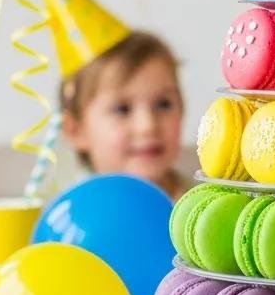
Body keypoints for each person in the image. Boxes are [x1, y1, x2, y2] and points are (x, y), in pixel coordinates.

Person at [60, 30, 189, 200]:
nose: (147, 126)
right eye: (122, 109)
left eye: (163, 104)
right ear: (76, 130)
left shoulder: (204, 205)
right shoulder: (72, 214)